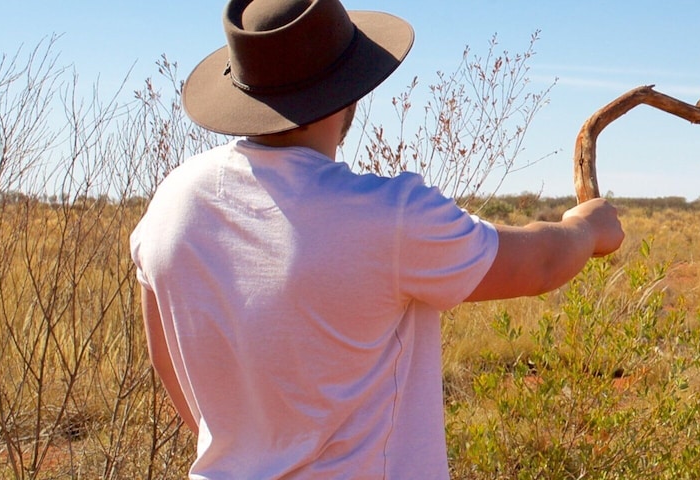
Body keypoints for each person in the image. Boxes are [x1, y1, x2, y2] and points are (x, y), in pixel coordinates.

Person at [130, 0, 623, 477]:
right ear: (347, 90)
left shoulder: (173, 202)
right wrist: (589, 226)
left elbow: (166, 360)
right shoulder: (388, 216)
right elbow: (537, 265)